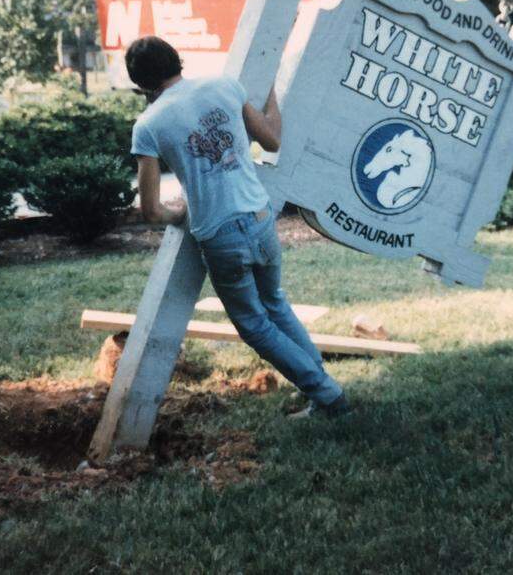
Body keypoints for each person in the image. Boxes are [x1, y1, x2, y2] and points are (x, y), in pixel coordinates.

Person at [125, 36, 350, 417]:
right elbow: (272, 139)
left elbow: (150, 211)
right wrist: (269, 92)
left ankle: (328, 396)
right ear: (177, 61)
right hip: (260, 219)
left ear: (141, 84)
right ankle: (321, 388)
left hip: (220, 235)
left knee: (252, 323)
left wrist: (178, 214)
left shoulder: (148, 125)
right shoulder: (225, 85)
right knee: (275, 303)